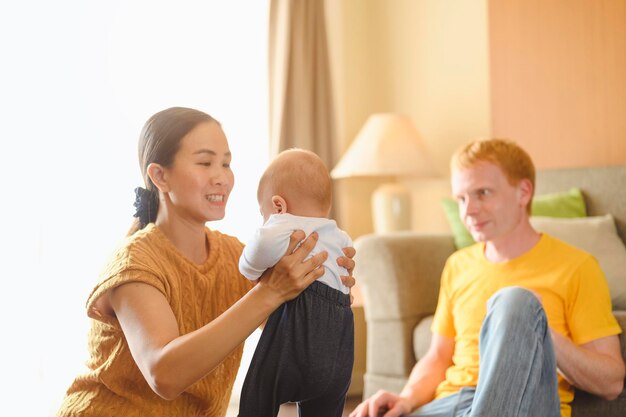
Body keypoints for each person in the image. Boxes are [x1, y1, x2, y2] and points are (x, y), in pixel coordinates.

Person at [55, 107, 356, 417]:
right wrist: (271, 292)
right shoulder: (135, 264)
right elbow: (165, 375)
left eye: (226, 163)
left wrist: (325, 277)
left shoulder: (232, 255)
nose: (221, 177)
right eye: (205, 162)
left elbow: (291, 328)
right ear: (160, 176)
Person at [350, 138, 625, 417]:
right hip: (449, 405)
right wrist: (406, 399)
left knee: (515, 300)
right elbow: (438, 357)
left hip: (525, 402)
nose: (468, 211)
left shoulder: (577, 266)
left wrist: (539, 331)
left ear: (523, 192)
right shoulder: (458, 265)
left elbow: (611, 383)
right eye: (461, 198)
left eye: (482, 193)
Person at [237, 149, 354, 417]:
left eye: (263, 213)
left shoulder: (282, 227)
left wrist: (250, 266)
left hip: (301, 324)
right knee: (326, 404)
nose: (264, 220)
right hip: (339, 334)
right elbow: (343, 273)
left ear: (278, 206)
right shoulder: (341, 237)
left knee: (259, 392)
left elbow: (251, 261)